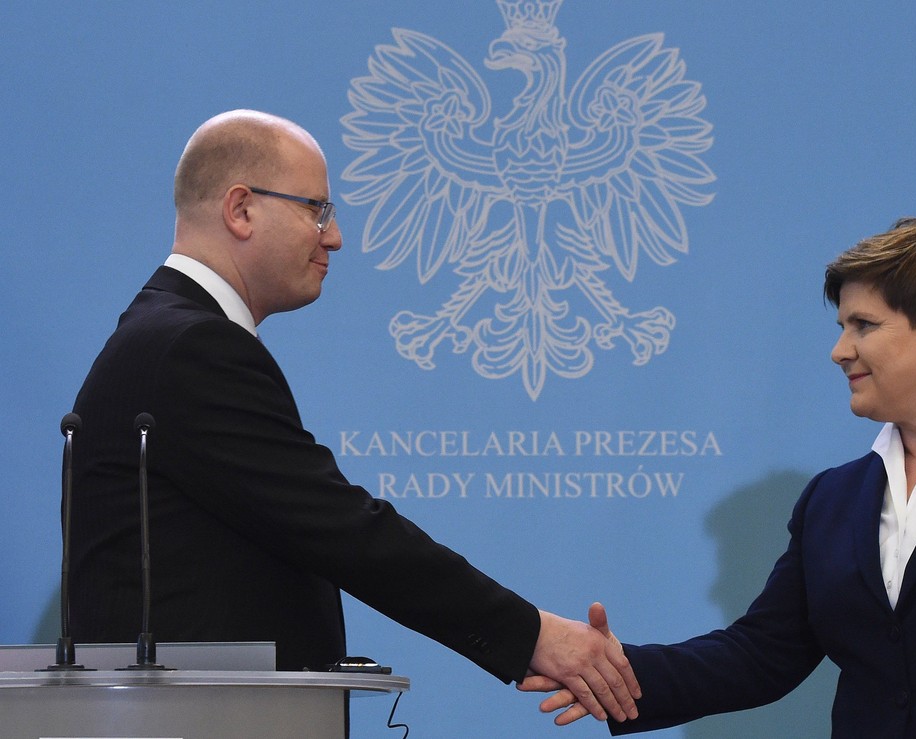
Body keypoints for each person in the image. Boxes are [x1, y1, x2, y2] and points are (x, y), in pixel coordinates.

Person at [68, 109, 639, 724]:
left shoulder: (166, 334)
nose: (334, 236)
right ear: (241, 210)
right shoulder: (192, 347)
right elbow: (342, 528)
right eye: (317, 209)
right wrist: (533, 635)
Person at [523, 217, 916, 737]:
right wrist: (612, 671)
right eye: (841, 327)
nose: (840, 350)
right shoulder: (832, 500)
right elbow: (760, 655)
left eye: (864, 326)